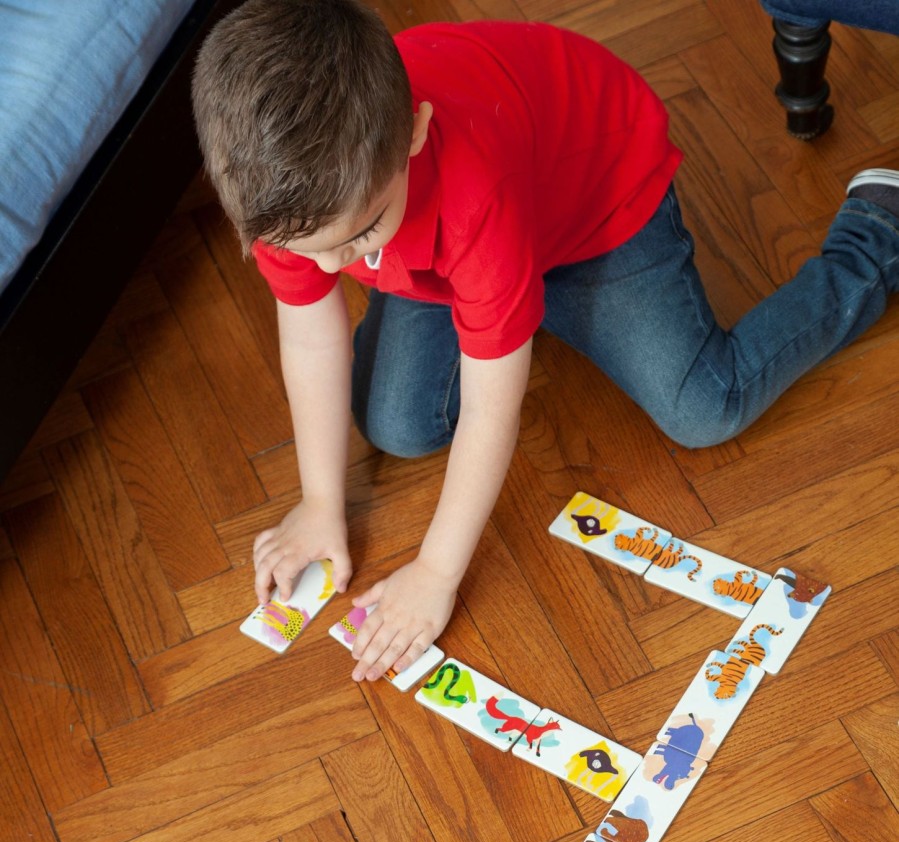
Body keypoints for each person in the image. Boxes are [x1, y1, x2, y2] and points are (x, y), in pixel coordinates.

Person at [191, 0, 899, 682]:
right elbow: (313, 339)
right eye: (305, 250)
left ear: (414, 132)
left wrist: (436, 574)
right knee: (393, 426)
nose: (329, 268)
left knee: (706, 407)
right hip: (469, 248)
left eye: (358, 237)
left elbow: (492, 410)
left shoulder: (475, 194)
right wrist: (319, 501)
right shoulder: (285, 193)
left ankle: (873, 236)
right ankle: (507, 306)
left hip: (598, 205)